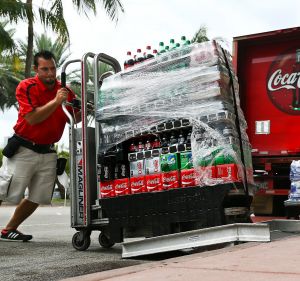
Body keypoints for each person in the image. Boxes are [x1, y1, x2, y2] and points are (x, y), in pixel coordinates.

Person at [0, 50, 80, 242]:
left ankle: (9, 229)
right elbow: (33, 118)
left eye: (53, 68)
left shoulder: (65, 91)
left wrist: (80, 109)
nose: (50, 74)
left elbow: (74, 120)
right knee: (4, 190)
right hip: (24, 148)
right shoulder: (26, 86)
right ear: (36, 69)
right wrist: (56, 102)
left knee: (39, 196)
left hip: (48, 151)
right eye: (45, 69)